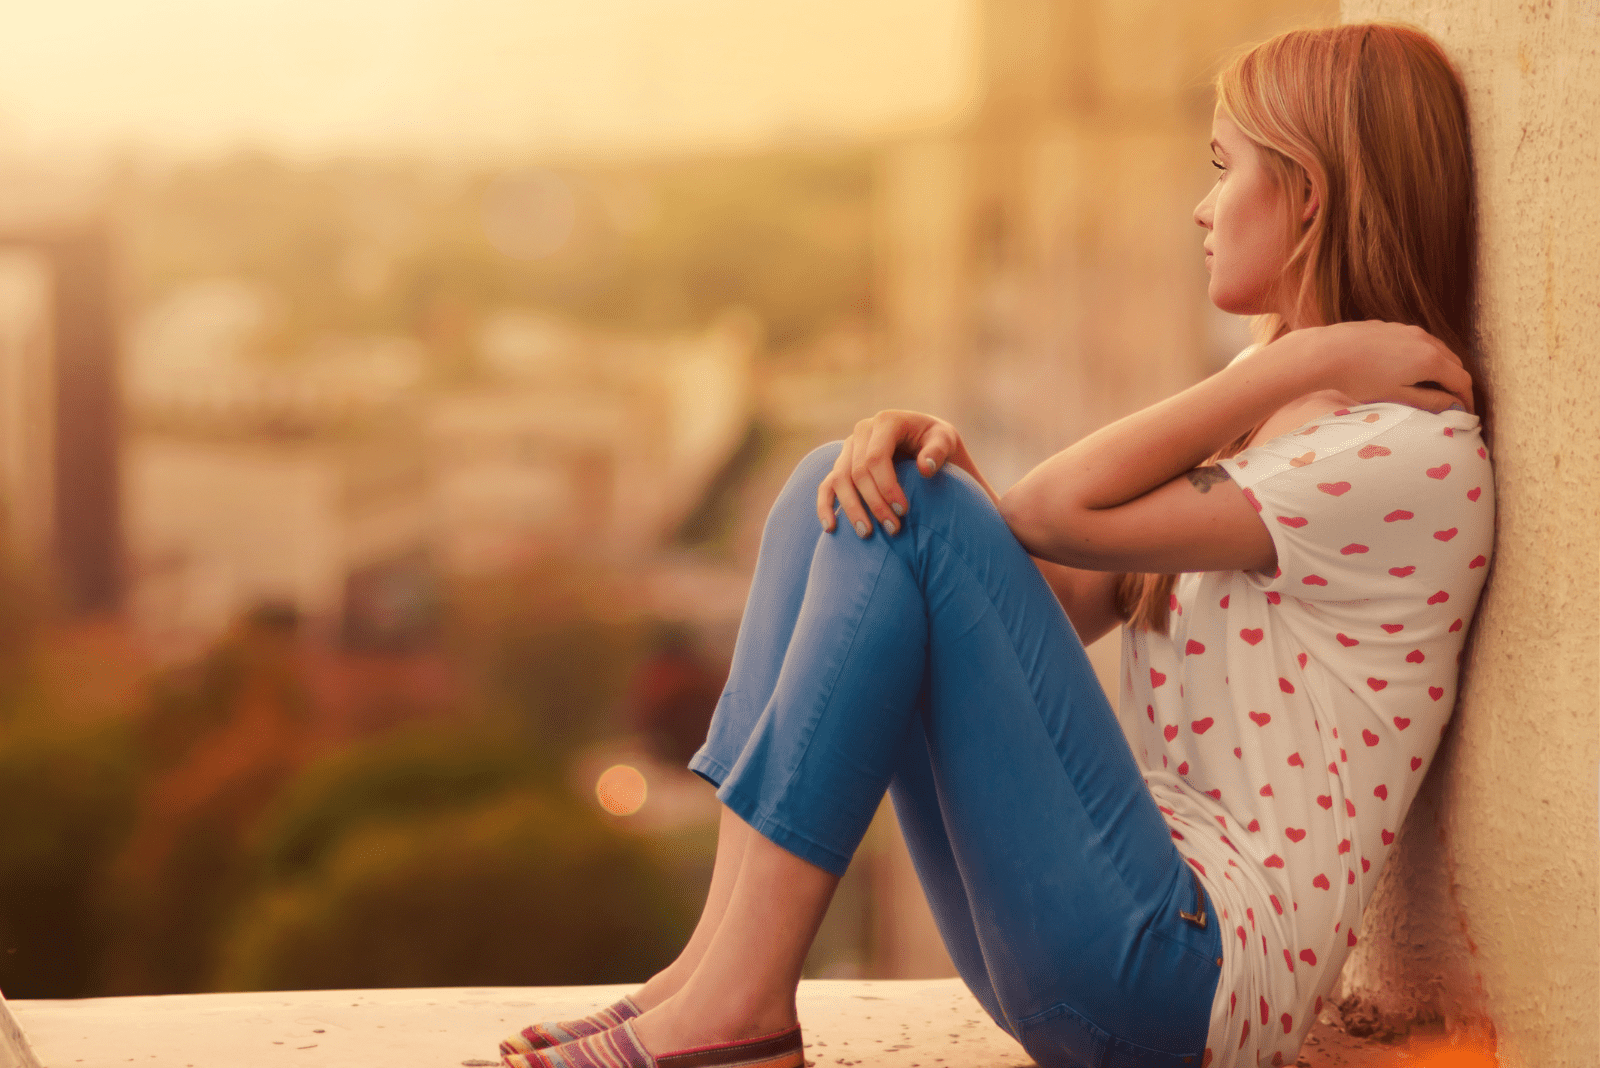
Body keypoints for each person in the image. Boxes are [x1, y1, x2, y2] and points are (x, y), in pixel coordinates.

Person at [498, 22, 1491, 1068]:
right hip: (1106, 935)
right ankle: (709, 978)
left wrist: (1295, 360)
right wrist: (939, 486)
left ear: (1308, 193)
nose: (1200, 207)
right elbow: (1046, 595)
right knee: (835, 487)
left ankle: (737, 1019)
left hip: (1180, 983)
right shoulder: (1291, 432)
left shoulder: (1404, 452)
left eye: (1221, 166)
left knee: (906, 504)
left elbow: (1052, 513)